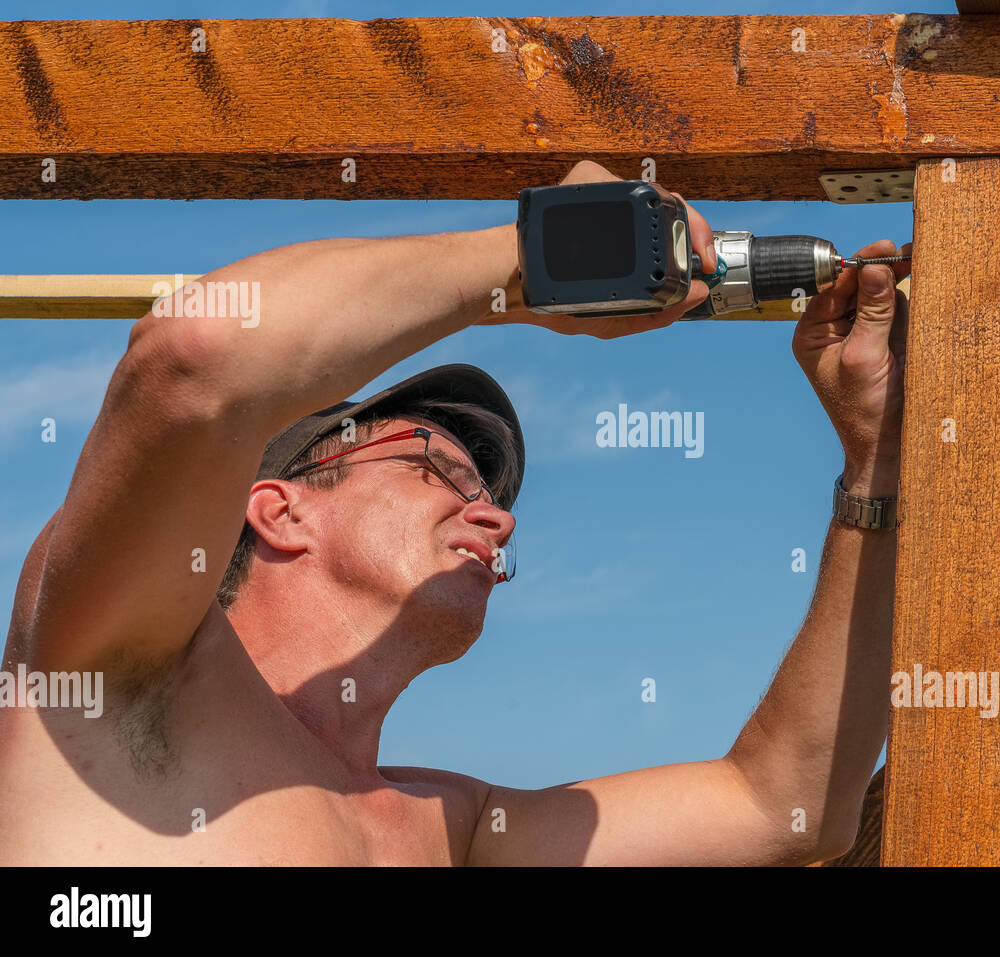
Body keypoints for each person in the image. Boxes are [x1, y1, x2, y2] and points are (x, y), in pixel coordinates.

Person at [0, 161, 910, 865]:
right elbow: (195, 359)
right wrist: (537, 260)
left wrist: (874, 460)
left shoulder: (451, 828)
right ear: (278, 510)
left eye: (491, 495)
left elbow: (784, 804)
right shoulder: (121, 666)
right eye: (435, 466)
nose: (497, 519)